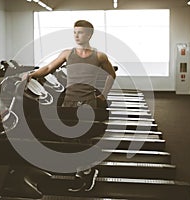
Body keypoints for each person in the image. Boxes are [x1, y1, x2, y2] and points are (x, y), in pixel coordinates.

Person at [25, 20, 116, 192]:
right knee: (71, 137)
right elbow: (49, 67)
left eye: (80, 32)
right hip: (69, 100)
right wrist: (31, 75)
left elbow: (111, 74)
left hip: (88, 101)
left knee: (85, 137)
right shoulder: (67, 53)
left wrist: (104, 94)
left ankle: (86, 171)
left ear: (89, 35)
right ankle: (80, 168)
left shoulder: (99, 56)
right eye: (74, 32)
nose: (76, 35)